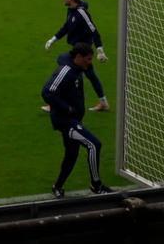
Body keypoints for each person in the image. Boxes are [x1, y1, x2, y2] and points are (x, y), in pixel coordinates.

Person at [42, 42, 112, 198]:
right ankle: (96, 185)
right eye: (88, 59)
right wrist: (66, 108)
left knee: (71, 154)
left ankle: (57, 186)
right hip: (66, 121)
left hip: (73, 120)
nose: (90, 62)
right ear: (78, 57)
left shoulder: (77, 68)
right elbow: (47, 92)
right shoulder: (66, 71)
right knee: (94, 144)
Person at [43, 0, 109, 112]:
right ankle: (103, 102)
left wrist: (100, 50)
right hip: (78, 50)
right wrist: (53, 39)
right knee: (89, 76)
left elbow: (94, 30)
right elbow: (66, 27)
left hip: (83, 52)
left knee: (64, 65)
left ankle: (56, 104)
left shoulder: (81, 13)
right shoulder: (71, 10)